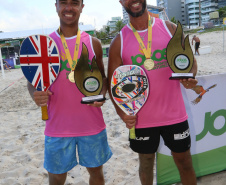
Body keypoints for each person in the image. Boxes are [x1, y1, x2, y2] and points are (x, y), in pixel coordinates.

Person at [107, 0, 198, 185]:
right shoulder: (119, 41)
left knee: (185, 163)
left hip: (175, 114)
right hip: (141, 118)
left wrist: (190, 79)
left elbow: (191, 64)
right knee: (146, 164)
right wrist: (122, 114)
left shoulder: (169, 28)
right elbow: (112, 84)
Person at [27, 0, 112, 184]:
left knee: (96, 175)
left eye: (74, 3)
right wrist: (35, 94)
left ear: (82, 7)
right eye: (63, 2)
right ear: (56, 6)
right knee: (56, 178)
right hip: (57, 127)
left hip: (91, 124)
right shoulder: (45, 44)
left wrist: (101, 94)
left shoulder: (94, 43)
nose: (69, 8)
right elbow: (32, 81)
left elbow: (103, 78)